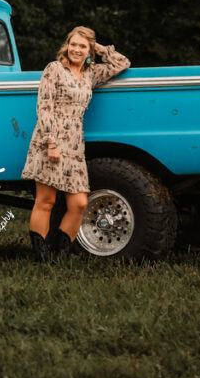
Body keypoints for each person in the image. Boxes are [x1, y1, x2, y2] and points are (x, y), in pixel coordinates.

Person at [21, 26, 130, 263]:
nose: (76, 49)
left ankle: (60, 255)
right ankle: (41, 258)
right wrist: (51, 142)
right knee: (46, 200)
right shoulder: (55, 69)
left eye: (82, 46)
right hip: (52, 138)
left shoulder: (91, 73)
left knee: (79, 203)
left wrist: (100, 48)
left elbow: (122, 63)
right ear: (66, 46)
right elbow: (44, 105)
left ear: (89, 49)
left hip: (75, 144)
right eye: (73, 44)